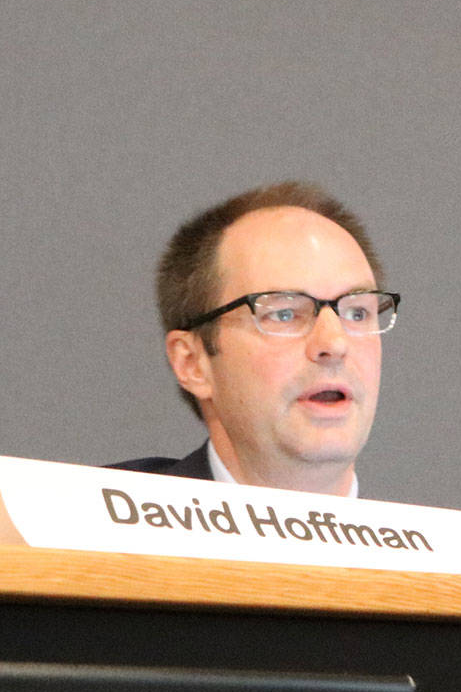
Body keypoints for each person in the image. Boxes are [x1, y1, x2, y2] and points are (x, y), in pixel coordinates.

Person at [111, 181, 395, 495]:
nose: (334, 344)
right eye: (284, 314)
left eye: (356, 313)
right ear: (192, 363)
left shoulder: (447, 542)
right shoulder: (78, 528)